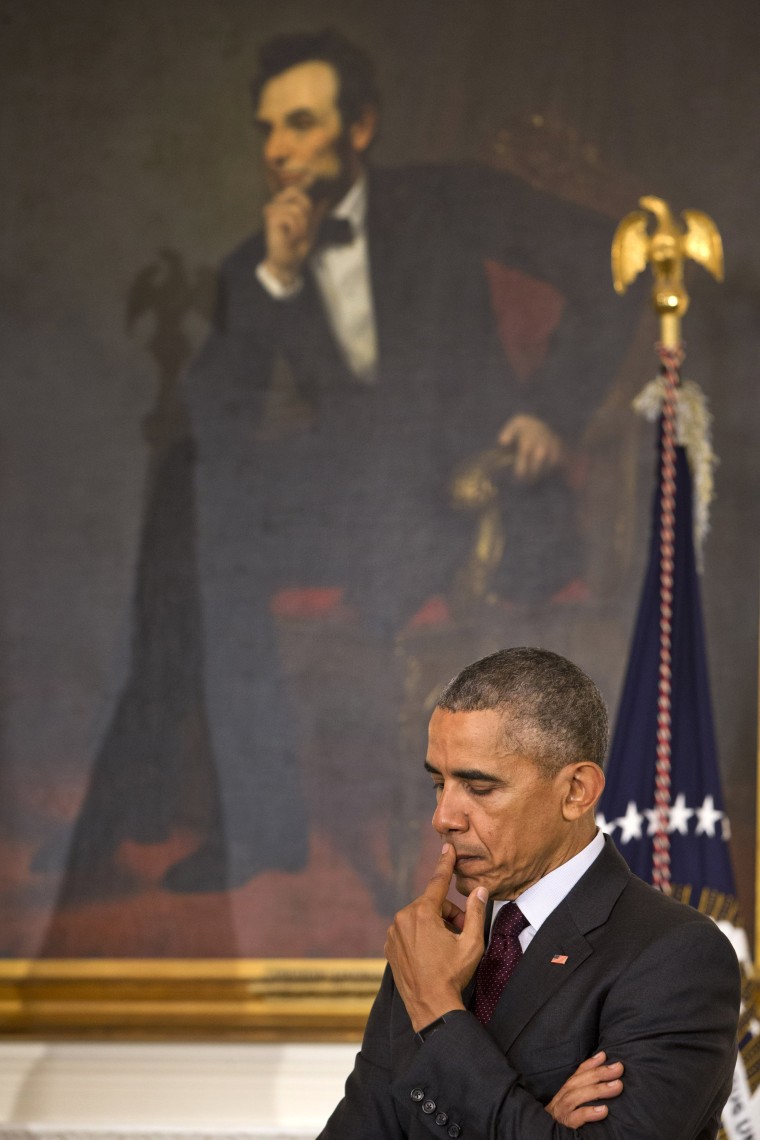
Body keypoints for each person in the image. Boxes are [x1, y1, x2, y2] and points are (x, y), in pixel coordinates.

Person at [173, 29, 638, 893]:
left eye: (302, 123)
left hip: (480, 497)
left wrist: (552, 410)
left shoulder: (448, 199)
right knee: (208, 532)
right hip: (358, 509)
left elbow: (611, 259)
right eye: (267, 129)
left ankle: (480, 845)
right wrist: (274, 279)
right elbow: (213, 415)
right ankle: (264, 826)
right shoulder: (261, 261)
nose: (279, 150)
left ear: (360, 127)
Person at [319, 648, 740, 1138]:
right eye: (439, 783)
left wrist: (438, 1012)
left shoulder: (676, 955)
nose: (443, 818)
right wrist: (543, 1124)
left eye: (479, 789)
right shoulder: (429, 947)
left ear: (576, 791)